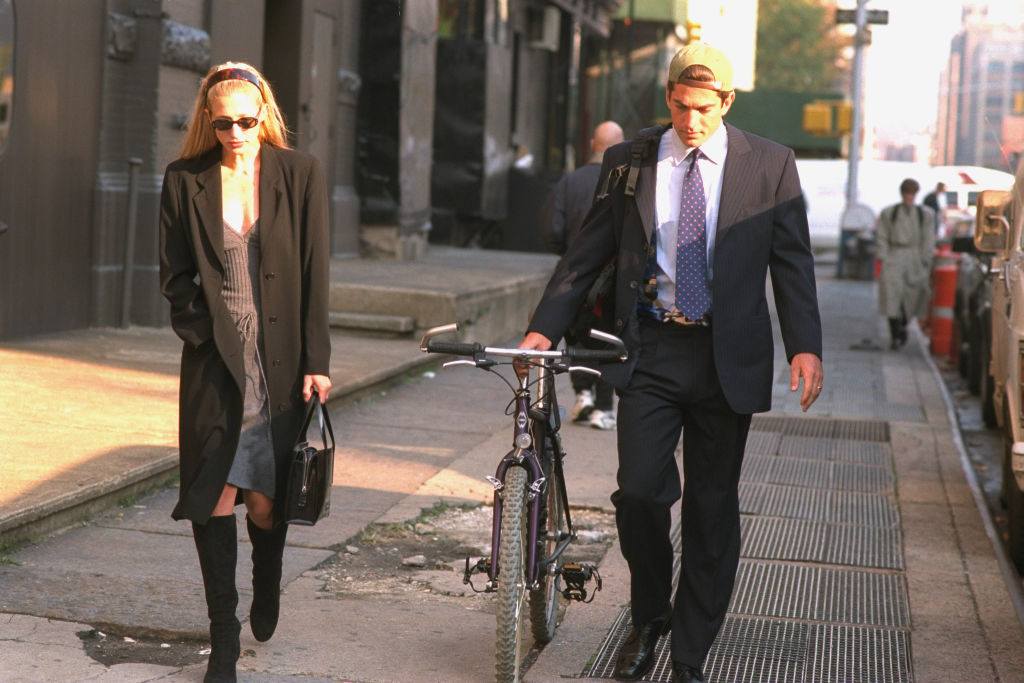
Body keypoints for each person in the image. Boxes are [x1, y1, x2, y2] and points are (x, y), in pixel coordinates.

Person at [518, 44, 823, 683]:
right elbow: (586, 251)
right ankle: (649, 616)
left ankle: (689, 652)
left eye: (705, 109)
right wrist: (543, 328)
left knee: (711, 508)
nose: (691, 121)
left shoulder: (770, 164)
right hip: (651, 348)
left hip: (726, 357)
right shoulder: (629, 160)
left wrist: (805, 345)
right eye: (682, 107)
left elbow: (792, 261)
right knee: (639, 493)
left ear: (727, 103)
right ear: (668, 97)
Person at [159, 62, 332, 683]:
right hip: (215, 364)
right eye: (223, 123)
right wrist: (204, 335)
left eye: (246, 122)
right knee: (214, 498)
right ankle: (224, 640)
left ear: (265, 117)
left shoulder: (299, 173)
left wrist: (317, 362)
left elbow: (315, 273)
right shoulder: (184, 179)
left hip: (281, 364)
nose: (235, 133)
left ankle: (268, 572)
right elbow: (175, 276)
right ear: (207, 120)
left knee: (264, 504)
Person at [539, 120, 625, 430]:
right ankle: (604, 408)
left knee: (576, 335)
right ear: (621, 145)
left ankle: (582, 395)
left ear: (591, 145)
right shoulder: (627, 181)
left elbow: (551, 227)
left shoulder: (571, 181)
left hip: (574, 276)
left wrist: (569, 254)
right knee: (607, 339)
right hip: (614, 278)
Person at [876, 178, 936, 350]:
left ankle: (903, 324)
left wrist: (925, 259)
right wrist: (883, 255)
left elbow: (928, 238)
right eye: (907, 193)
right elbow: (882, 235)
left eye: (912, 194)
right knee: (892, 294)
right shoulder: (890, 213)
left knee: (914, 294)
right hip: (894, 255)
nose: (909, 197)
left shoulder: (924, 215)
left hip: (915, 256)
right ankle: (895, 332)